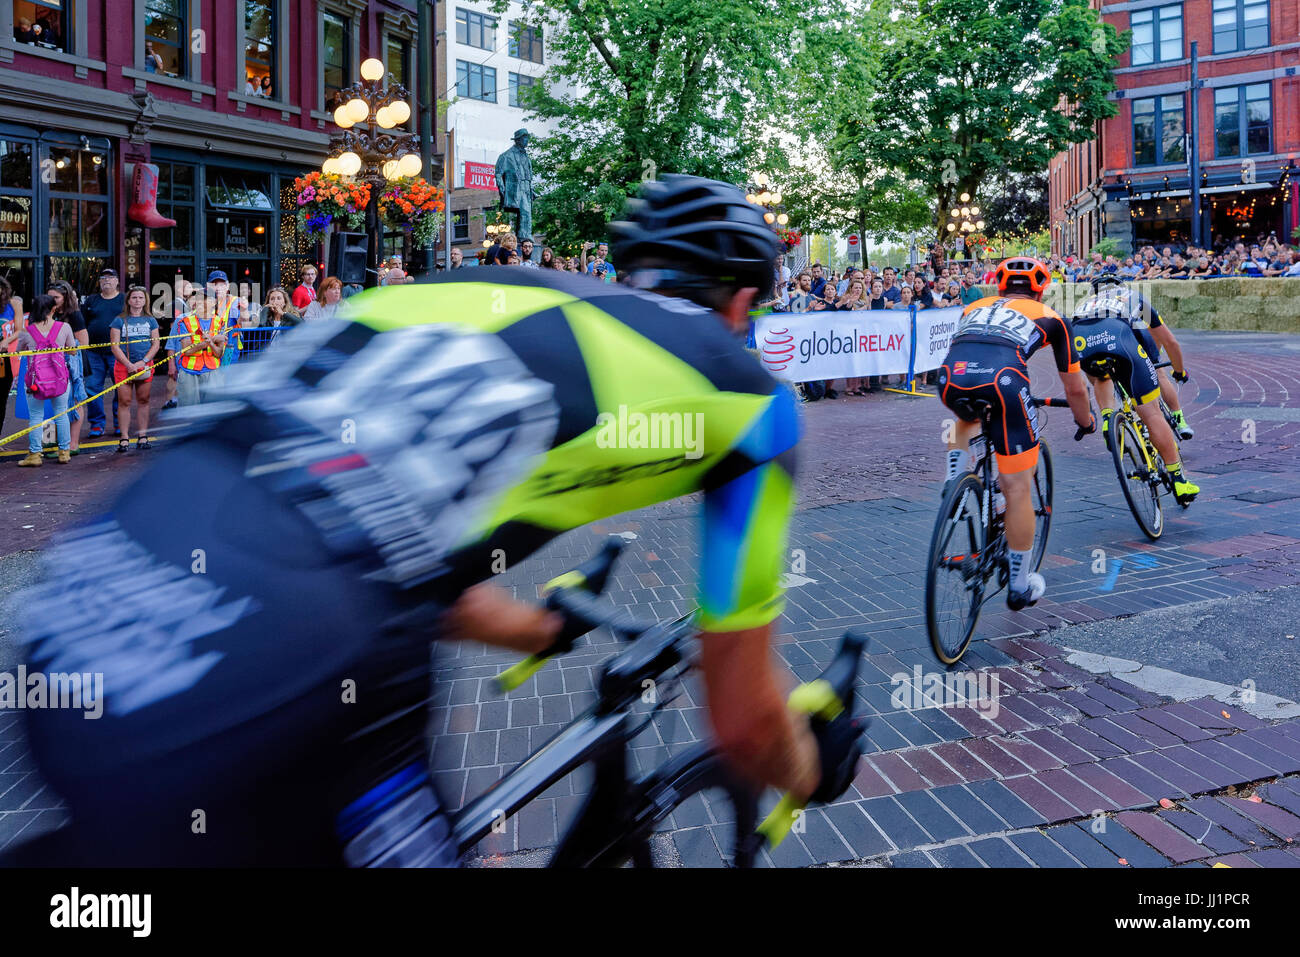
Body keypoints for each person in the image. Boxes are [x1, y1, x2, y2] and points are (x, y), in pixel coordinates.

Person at [5, 174, 861, 867]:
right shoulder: (751, 403)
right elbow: (745, 722)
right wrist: (811, 767)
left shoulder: (458, 292)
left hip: (91, 601)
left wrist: (538, 628)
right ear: (746, 300)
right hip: (279, 675)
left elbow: (364, 536)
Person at [936, 258, 1095, 610]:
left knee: (968, 416)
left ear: (1001, 286)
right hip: (1004, 381)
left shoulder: (973, 307)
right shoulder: (1052, 318)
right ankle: (1020, 586)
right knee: (1018, 485)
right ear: (1040, 289)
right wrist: (1086, 423)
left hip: (951, 377)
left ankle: (956, 482)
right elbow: (1076, 390)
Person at [1072, 274, 1198, 448]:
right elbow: (1170, 341)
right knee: (1157, 371)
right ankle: (1179, 418)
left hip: (1087, 339)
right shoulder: (1131, 295)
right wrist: (1179, 371)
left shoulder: (1084, 304)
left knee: (1102, 376)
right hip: (1128, 337)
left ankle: (1108, 416)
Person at [14, 295, 74, 467]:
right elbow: (72, 351)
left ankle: (34, 454)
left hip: (35, 381)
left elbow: (19, 351)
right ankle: (64, 452)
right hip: (60, 379)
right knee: (61, 413)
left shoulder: (27, 331)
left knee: (35, 417)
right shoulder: (64, 327)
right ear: (54, 309)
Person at [108, 285, 160, 451]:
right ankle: (124, 438)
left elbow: (156, 344)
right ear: (128, 300)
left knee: (144, 401)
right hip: (124, 366)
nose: (138, 301)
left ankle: (142, 436)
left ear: (145, 301)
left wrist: (144, 362)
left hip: (145, 365)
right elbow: (114, 346)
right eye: (134, 297)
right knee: (124, 401)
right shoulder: (119, 320)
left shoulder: (151, 320)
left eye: (141, 298)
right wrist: (129, 364)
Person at [80, 268, 124, 438]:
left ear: (117, 281)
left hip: (117, 351)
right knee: (92, 388)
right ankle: (97, 424)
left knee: (120, 387)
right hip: (93, 352)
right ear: (99, 282)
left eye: (110, 277)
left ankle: (120, 422)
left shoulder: (124, 299)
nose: (106, 280)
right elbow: (83, 323)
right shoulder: (92, 300)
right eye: (103, 277)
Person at [45, 281, 87, 456]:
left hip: (71, 365)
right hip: (49, 365)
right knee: (48, 400)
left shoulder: (74, 315)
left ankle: (72, 444)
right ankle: (49, 440)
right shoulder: (46, 313)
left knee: (74, 401)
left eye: (56, 297)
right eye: (49, 297)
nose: (52, 300)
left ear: (65, 297)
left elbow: (83, 343)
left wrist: (63, 353)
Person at [0, 277, 25, 439]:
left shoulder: (14, 304)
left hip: (5, 356)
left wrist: (5, 341)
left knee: (1, 399)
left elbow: (19, 330)